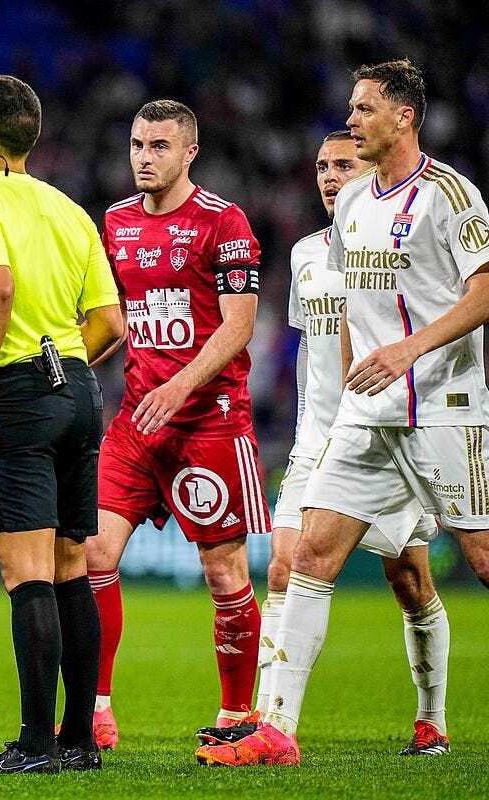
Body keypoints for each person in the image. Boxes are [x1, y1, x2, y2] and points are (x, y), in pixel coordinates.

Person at [197, 58, 489, 767]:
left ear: (403, 117)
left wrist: (407, 352)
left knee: (481, 559)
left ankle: (423, 718)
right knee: (308, 559)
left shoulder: (452, 195)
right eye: (352, 109)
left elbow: (483, 293)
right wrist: (366, 369)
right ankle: (277, 731)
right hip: (369, 420)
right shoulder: (354, 209)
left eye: (363, 110)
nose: (352, 120)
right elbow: (357, 310)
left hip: (446, 411)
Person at [0, 74, 124, 775]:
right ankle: (79, 740)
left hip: (18, 389)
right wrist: (65, 360)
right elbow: (111, 321)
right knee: (70, 569)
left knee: (26, 576)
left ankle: (35, 745)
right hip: (79, 386)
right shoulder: (70, 210)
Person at [88, 100, 269, 751]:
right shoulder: (114, 222)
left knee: (224, 574)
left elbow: (239, 324)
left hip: (210, 423)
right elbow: (111, 320)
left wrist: (181, 384)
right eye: (137, 143)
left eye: (159, 146)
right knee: (93, 555)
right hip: (136, 424)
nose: (144, 156)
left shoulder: (225, 223)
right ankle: (96, 710)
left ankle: (236, 717)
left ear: (189, 151)